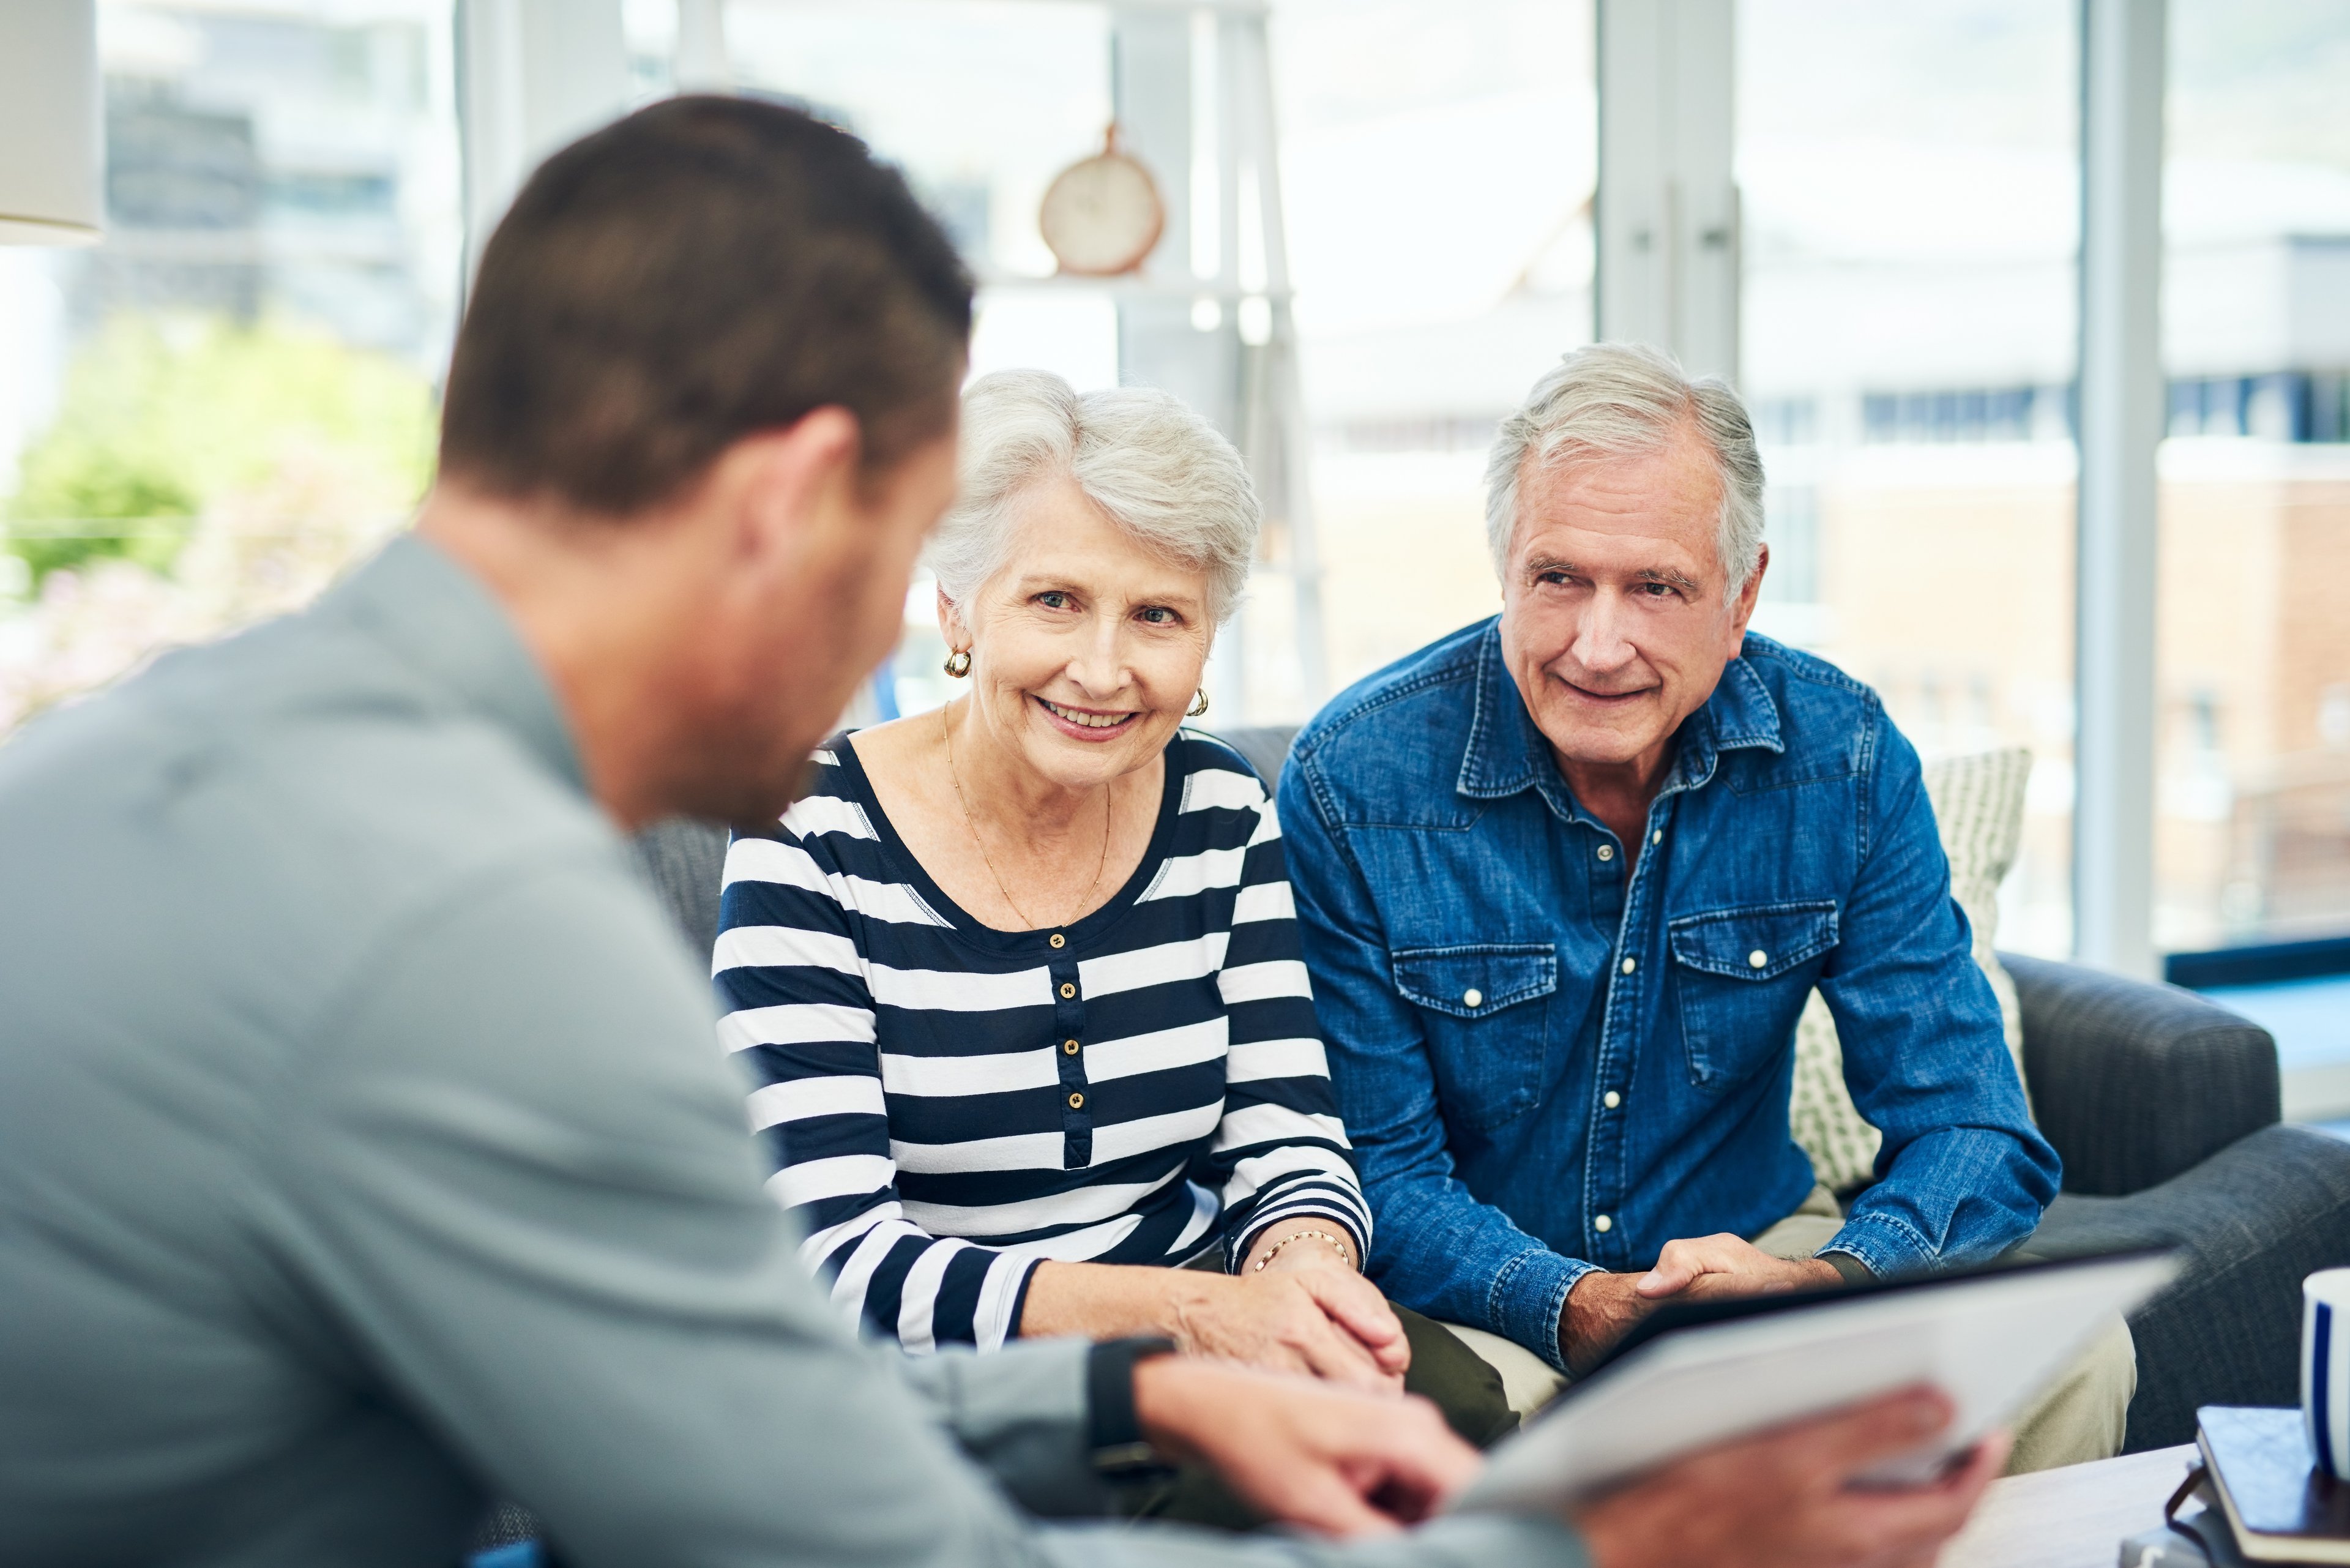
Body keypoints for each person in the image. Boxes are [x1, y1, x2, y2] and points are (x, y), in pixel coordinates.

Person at [0, 99, 2005, 1568]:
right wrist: (1617, 1533)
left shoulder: (162, 763)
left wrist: (1134, 1383)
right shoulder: (485, 936)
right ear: (803, 503)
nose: (930, 648)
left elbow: (725, 1395)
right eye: (931, 569)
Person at [1275, 342, 2136, 1469]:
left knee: (2080, 1351)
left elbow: (1973, 1124)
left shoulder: (1845, 758)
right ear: (1505, 572)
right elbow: (1376, 1171)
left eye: (1656, 588)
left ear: (1741, 596)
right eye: (1559, 578)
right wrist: (1575, 1301)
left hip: (1761, 1252)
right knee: (1504, 1435)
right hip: (1487, 1299)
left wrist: (1822, 1285)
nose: (1597, 643)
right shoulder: (1355, 779)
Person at [715, 368, 1512, 1456]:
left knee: (1446, 1415)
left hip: (1209, 1315)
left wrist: (1303, 1277)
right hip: (945, 1379)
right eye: (1055, 601)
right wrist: (1184, 1314)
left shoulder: (1219, 804)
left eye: (1156, 615)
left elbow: (1289, 1132)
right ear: (956, 606)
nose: (1103, 670)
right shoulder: (803, 827)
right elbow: (832, 1252)